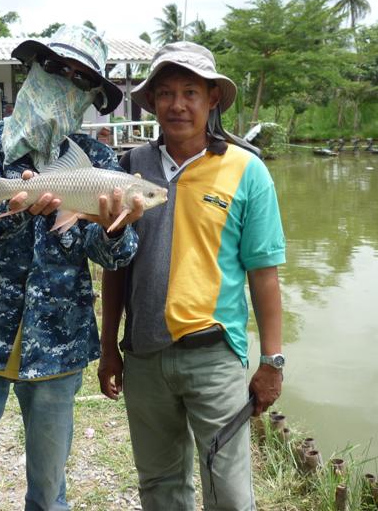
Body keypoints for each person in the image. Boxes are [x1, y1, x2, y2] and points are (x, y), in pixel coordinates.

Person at [0, 24, 144, 511]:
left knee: (49, 495)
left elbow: (115, 257)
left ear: (91, 96)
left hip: (59, 347)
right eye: (57, 68)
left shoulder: (98, 161)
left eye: (82, 79)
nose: (66, 82)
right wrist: (13, 208)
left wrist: (115, 228)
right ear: (34, 69)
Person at [98, 41, 287, 510]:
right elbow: (116, 266)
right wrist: (108, 349)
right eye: (165, 93)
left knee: (228, 491)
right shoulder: (128, 169)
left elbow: (264, 273)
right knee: (160, 487)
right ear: (153, 101)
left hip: (215, 358)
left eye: (190, 92)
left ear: (213, 100)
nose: (177, 105)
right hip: (143, 357)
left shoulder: (247, 170)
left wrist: (273, 361)